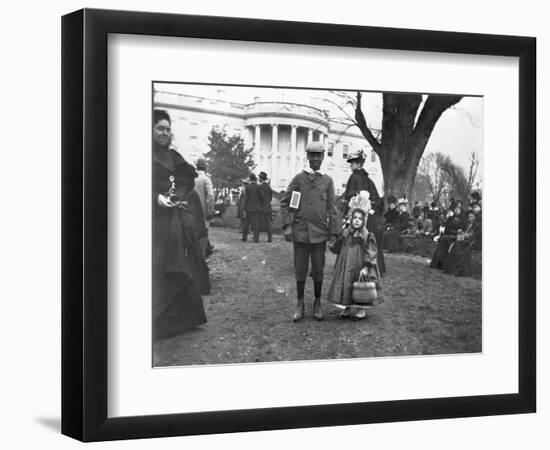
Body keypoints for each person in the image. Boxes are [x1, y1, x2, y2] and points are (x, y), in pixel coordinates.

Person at [152, 109, 208, 340]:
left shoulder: (174, 156)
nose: (165, 133)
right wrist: (155, 198)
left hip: (175, 217)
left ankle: (183, 320)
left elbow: (187, 178)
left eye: (167, 129)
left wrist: (179, 196)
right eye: (160, 129)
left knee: (181, 262)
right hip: (153, 220)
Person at [281, 142, 339, 322]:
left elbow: (333, 208)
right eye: (312, 155)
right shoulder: (299, 179)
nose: (315, 158)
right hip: (301, 233)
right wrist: (288, 226)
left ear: (323, 157)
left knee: (319, 269)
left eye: (318, 155)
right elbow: (286, 203)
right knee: (300, 269)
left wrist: (334, 233)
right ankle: (300, 303)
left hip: (319, 234)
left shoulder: (327, 181)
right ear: (308, 156)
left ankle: (317, 302)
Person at [327, 208, 383, 320]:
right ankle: (346, 307)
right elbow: (338, 247)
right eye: (355, 218)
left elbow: (371, 252)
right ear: (351, 219)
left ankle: (361, 309)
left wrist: (367, 266)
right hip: (346, 262)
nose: (357, 221)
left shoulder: (366, 235)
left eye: (360, 219)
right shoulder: (346, 232)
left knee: (359, 284)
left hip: (359, 264)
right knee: (346, 283)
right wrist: (333, 244)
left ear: (363, 221)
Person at [342, 149, 380, 216]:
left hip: (355, 211)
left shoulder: (354, 177)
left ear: (358, 164)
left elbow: (350, 195)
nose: (350, 165)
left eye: (352, 163)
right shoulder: (367, 179)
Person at [429, 202, 468, 269]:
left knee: (447, 242)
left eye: (458, 209)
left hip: (457, 237)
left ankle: (446, 264)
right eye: (455, 209)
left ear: (460, 209)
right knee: (442, 241)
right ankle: (439, 263)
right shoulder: (450, 218)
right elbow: (447, 228)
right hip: (448, 235)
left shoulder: (463, 219)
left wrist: (459, 233)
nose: (456, 210)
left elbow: (465, 229)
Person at [442, 210, 481, 277]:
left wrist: (465, 236)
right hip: (466, 240)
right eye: (469, 217)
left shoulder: (476, 225)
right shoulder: (469, 225)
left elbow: (473, 235)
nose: (470, 218)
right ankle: (450, 268)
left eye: (472, 217)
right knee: (454, 245)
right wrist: (463, 234)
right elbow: (467, 233)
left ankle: (457, 269)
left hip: (471, 242)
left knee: (457, 246)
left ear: (474, 217)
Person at [194, 158, 215, 257]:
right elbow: (211, 196)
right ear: (205, 168)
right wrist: (210, 210)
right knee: (204, 230)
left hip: (191, 209)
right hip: (202, 209)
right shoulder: (206, 179)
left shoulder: (192, 178)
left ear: (197, 167)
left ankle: (207, 248)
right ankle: (202, 254)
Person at [241, 173, 264, 242]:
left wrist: (245, 208)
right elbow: (262, 197)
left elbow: (246, 198)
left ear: (250, 179)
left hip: (249, 208)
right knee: (256, 224)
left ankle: (244, 237)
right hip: (257, 208)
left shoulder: (248, 187)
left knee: (246, 223)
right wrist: (260, 205)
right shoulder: (259, 187)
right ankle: (256, 238)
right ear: (255, 179)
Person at [258, 171, 273, 242]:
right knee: (268, 223)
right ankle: (270, 238)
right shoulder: (268, 187)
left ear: (261, 179)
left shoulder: (260, 187)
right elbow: (270, 197)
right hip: (268, 207)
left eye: (259, 178)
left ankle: (256, 237)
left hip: (261, 207)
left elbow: (260, 197)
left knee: (257, 222)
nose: (258, 179)